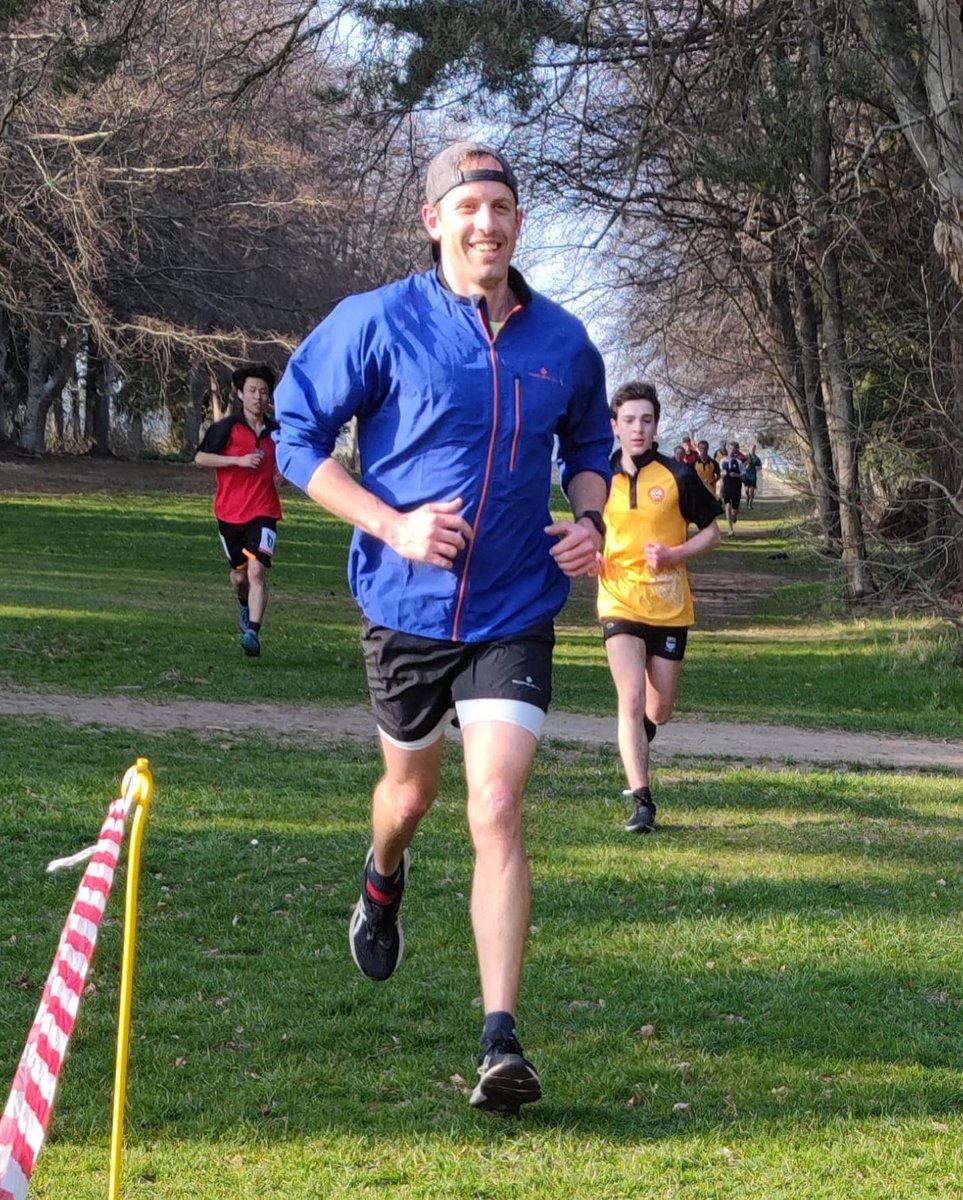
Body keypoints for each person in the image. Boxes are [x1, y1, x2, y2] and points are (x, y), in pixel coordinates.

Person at [273, 140, 612, 1114]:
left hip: (514, 606)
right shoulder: (376, 322)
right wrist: (394, 524)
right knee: (408, 796)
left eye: (502, 205)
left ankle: (500, 1041)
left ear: (517, 222)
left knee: (497, 805)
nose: (488, 223)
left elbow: (589, 443)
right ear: (434, 221)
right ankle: (383, 878)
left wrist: (589, 520)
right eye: (469, 206)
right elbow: (298, 436)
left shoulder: (562, 340)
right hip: (405, 610)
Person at [597, 382, 722, 833]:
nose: (637, 428)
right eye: (628, 420)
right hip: (618, 598)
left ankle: (641, 738)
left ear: (656, 425)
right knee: (628, 698)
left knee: (659, 709)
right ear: (615, 426)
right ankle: (643, 803)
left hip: (668, 605)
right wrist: (591, 550)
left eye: (645, 420)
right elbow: (588, 525)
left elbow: (713, 530)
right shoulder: (599, 475)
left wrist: (674, 554)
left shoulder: (678, 475)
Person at [194, 362, 282, 657]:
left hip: (265, 510)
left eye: (264, 392)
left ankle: (253, 634)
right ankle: (244, 606)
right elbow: (201, 459)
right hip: (229, 513)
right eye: (253, 390)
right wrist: (238, 461)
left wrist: (282, 475)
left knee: (257, 571)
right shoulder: (226, 428)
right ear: (241, 394)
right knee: (240, 576)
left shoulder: (277, 432)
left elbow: (284, 465)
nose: (258, 396)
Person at [719, 440, 745, 536]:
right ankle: (730, 529)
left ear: (736, 451)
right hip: (726, 486)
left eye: (734, 449)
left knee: (734, 510)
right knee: (727, 506)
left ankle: (734, 516)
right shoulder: (722, 461)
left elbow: (743, 476)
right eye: (730, 449)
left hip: (736, 487)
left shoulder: (739, 462)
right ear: (727, 449)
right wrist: (722, 474)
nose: (731, 451)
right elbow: (719, 474)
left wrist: (736, 475)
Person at [743, 443, 762, 507]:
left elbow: (760, 467)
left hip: (753, 476)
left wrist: (757, 468)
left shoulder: (757, 458)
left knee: (751, 491)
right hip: (746, 475)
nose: (752, 449)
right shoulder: (745, 456)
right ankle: (747, 497)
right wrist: (746, 464)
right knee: (746, 490)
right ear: (749, 448)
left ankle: (750, 504)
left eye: (754, 448)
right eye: (751, 448)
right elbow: (741, 465)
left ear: (755, 449)